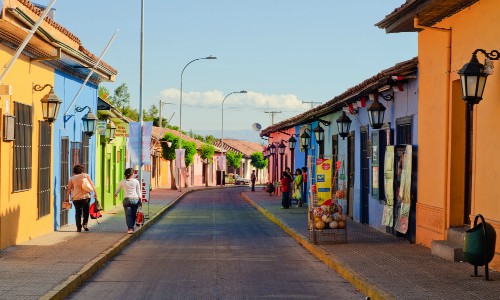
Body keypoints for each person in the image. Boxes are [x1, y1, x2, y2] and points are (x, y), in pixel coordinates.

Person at [65, 164, 98, 232]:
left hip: (76, 198)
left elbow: (69, 189)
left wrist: (67, 197)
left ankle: (78, 227)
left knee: (78, 212)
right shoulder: (85, 175)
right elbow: (91, 184)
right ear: (82, 170)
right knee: (86, 212)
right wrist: (95, 192)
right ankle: (85, 224)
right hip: (85, 196)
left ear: (74, 171)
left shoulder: (72, 178)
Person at [114, 168, 142, 234]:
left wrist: (116, 194)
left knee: (128, 215)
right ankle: (134, 225)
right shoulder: (136, 181)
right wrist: (140, 200)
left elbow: (117, 190)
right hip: (135, 200)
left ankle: (130, 229)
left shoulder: (123, 181)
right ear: (132, 174)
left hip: (127, 200)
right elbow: (138, 192)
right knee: (134, 214)